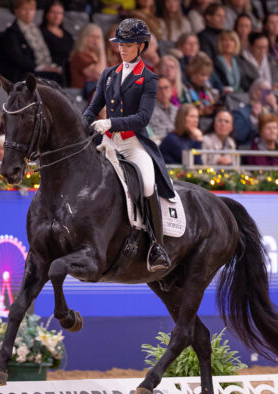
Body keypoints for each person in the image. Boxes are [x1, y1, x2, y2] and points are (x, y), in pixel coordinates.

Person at [84, 18, 179, 271]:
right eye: (120, 44)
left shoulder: (148, 78)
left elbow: (143, 118)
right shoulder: (108, 74)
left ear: (141, 46)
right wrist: (81, 127)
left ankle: (157, 247)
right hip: (106, 142)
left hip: (132, 143)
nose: (122, 49)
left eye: (128, 44)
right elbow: (93, 109)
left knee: (147, 183)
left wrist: (112, 123)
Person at [0, 0, 62, 84]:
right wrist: (39, 68)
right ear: (16, 11)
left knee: (59, 72)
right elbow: (18, 58)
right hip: (24, 73)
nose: (28, 13)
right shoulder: (12, 32)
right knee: (54, 76)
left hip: (39, 69)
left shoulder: (37, 30)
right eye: (24, 9)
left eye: (31, 10)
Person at [180, 53, 221, 117]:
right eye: (202, 75)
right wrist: (202, 111)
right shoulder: (184, 89)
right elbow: (185, 113)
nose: (205, 79)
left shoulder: (207, 88)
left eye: (207, 75)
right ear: (192, 72)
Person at [69, 24, 107, 91]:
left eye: (98, 37)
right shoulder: (79, 56)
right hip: (83, 95)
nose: (95, 40)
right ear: (84, 38)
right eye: (92, 36)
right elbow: (99, 74)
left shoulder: (97, 57)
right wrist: (101, 52)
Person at [40, 1, 73, 74]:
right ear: (46, 14)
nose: (56, 16)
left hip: (67, 71)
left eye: (59, 13)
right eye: (53, 12)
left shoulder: (68, 35)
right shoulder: (39, 32)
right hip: (49, 71)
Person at [148, 76, 178, 143]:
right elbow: (160, 135)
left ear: (172, 89)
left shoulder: (177, 110)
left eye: (166, 88)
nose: (163, 92)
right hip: (161, 145)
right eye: (159, 89)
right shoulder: (150, 111)